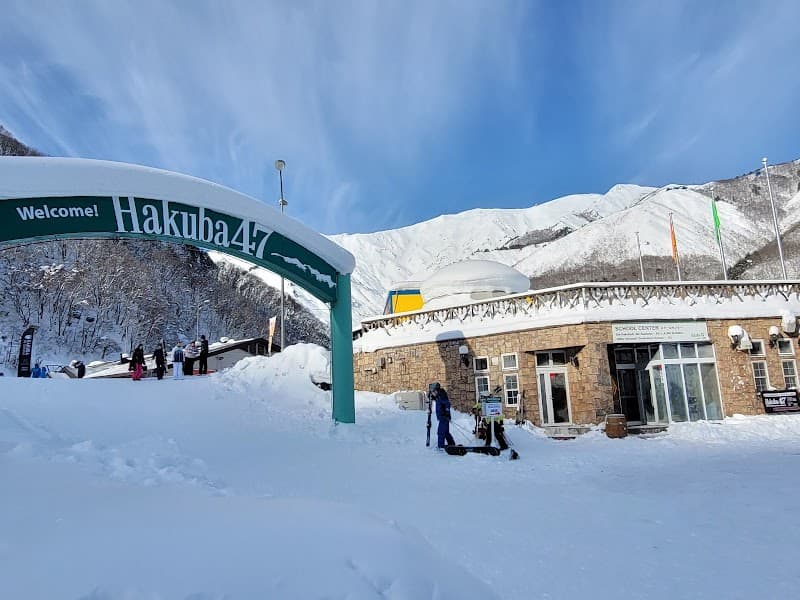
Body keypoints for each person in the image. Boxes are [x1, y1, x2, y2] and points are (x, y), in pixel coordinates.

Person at [431, 382, 456, 449]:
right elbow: (438, 401)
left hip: (444, 417)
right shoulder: (438, 396)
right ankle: (452, 444)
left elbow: (447, 404)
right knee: (446, 432)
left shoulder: (441, 395)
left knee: (440, 432)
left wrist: (447, 413)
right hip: (443, 417)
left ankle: (440, 446)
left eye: (433, 392)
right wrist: (433, 397)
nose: (432, 393)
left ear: (436, 390)